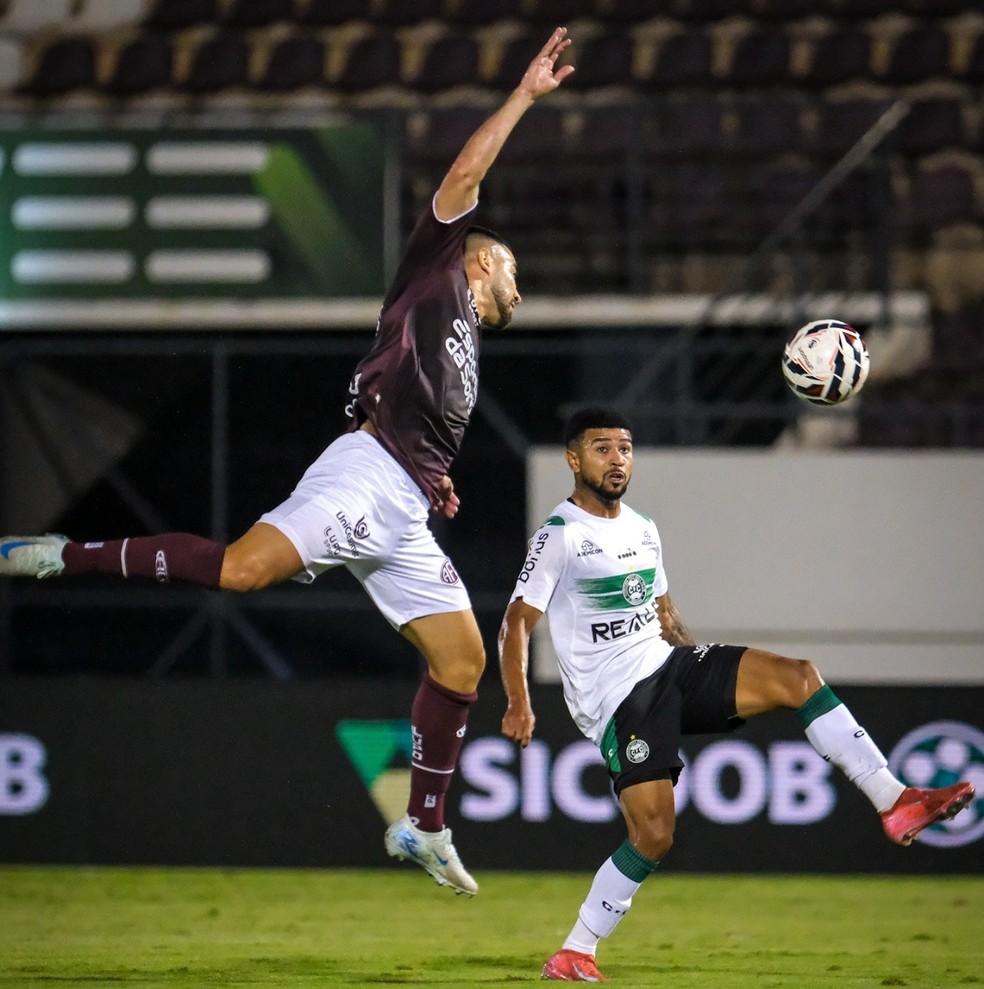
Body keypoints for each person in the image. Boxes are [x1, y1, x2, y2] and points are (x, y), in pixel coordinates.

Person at [0, 27, 577, 899]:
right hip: (363, 477)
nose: (519, 293)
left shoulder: (459, 342)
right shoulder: (437, 271)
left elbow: (409, 400)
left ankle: (421, 825)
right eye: (514, 276)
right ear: (483, 258)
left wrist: (436, 473)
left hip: (405, 503)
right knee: (240, 571)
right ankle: (57, 553)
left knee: (462, 663)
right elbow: (464, 173)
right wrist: (525, 98)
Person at [498, 404, 975, 981]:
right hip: (620, 700)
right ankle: (576, 950)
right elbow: (517, 623)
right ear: (573, 460)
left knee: (798, 676)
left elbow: (664, 613)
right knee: (653, 835)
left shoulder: (643, 528)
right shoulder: (560, 535)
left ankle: (895, 801)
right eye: (602, 448)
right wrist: (519, 700)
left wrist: (704, 671)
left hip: (667, 666)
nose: (617, 459)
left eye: (625, 447)